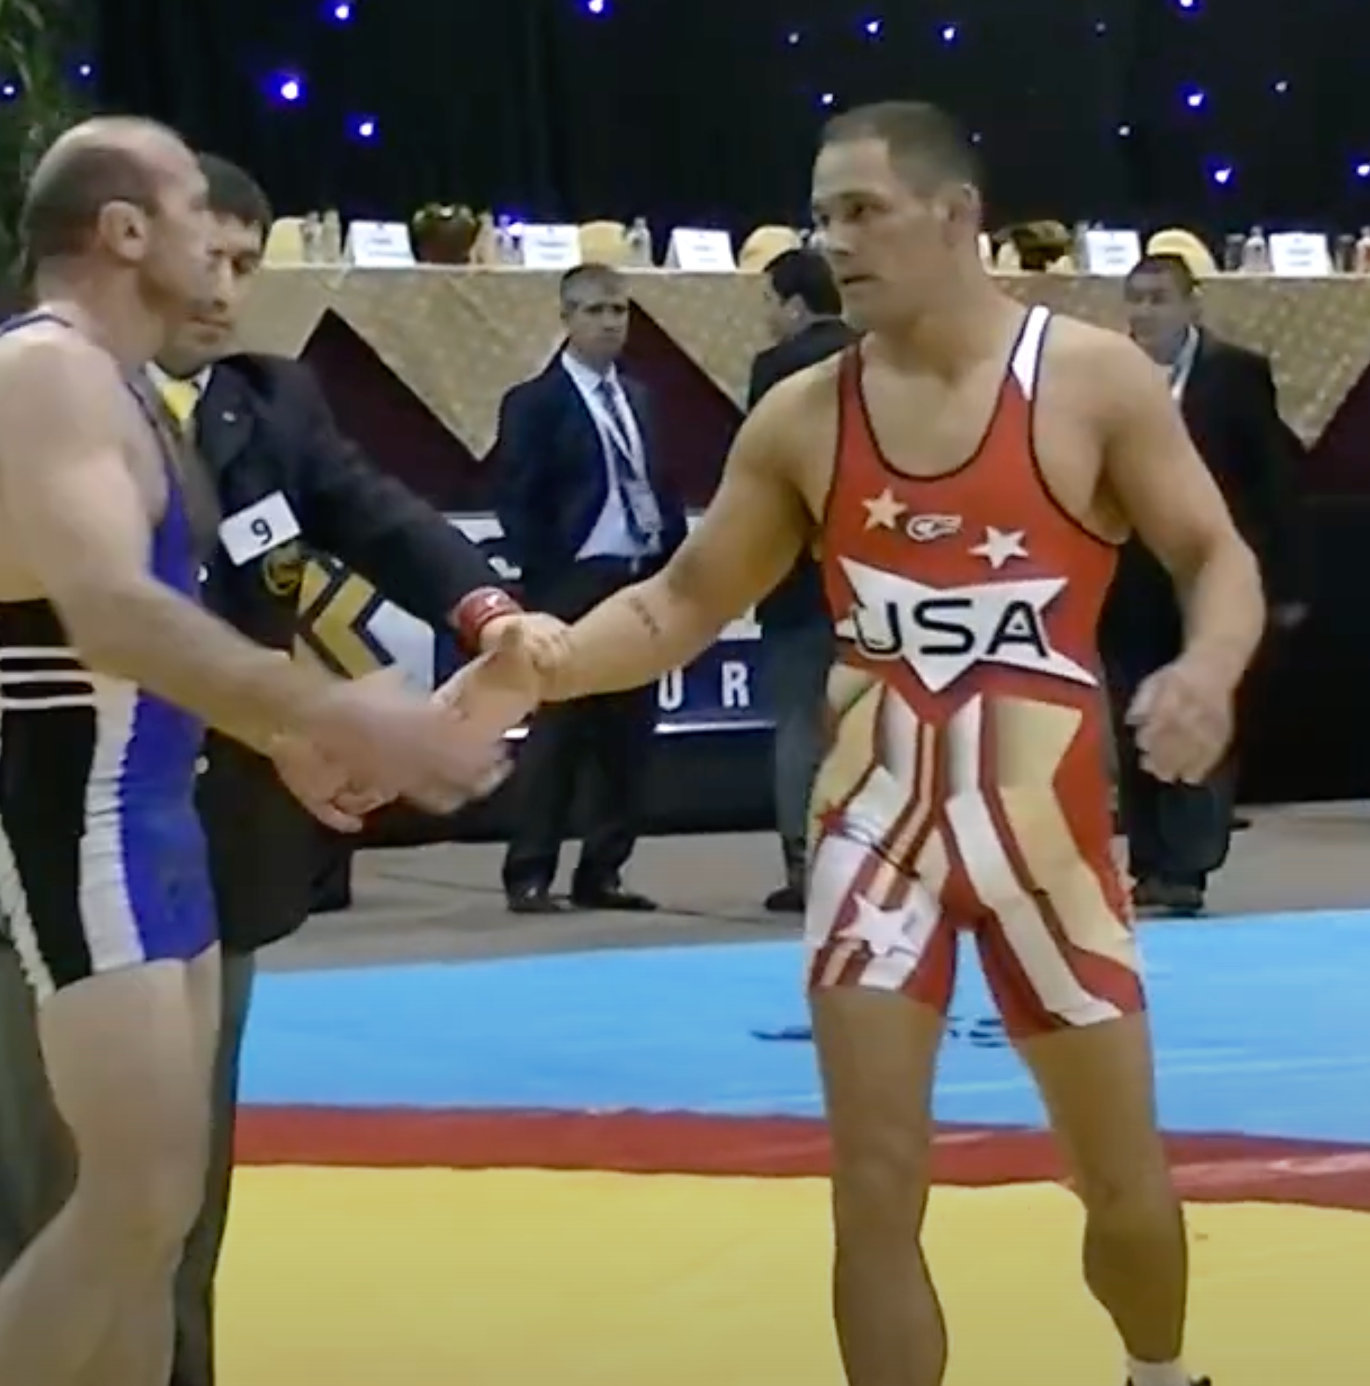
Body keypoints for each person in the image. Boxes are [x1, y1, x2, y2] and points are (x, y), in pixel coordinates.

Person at [449, 101, 1263, 1386]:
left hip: (1046, 848)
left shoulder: (1088, 382)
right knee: (874, 1186)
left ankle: (1160, 1375)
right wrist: (545, 660)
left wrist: (1208, 670)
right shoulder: (804, 415)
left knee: (1120, 1185)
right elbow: (679, 603)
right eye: (825, 217)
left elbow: (1214, 555)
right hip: (875, 840)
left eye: (862, 212)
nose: (837, 242)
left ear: (957, 220)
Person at [0, 117, 508, 1386]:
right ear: (127, 231)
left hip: (151, 817)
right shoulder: (48, 376)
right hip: (75, 815)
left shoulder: (133, 388)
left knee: (158, 1219)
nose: (227, 242)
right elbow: (111, 613)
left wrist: (278, 738)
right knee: (124, 1202)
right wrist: (336, 713)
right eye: (199, 210)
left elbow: (171, 628)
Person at [1105, 252, 1306, 915]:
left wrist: (1276, 579)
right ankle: (1148, 861)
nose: (1144, 313)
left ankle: (1188, 869)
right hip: (1129, 577)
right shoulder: (1110, 376)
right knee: (1134, 712)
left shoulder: (1234, 375)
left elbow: (1272, 481)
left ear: (1193, 305)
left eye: (1159, 298)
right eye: (1135, 298)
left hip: (1205, 577)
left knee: (1193, 709)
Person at [491, 262, 688, 913]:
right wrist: (545, 577)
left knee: (630, 734)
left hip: (639, 576)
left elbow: (662, 483)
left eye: (620, 310)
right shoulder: (534, 401)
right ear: (567, 318)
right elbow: (518, 496)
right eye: (597, 311)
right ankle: (530, 869)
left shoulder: (643, 398)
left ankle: (603, 869)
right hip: (574, 578)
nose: (611, 323)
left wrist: (675, 567)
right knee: (558, 730)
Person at [748, 248, 856, 911]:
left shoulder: (776, 368)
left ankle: (803, 862)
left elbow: (763, 473)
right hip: (868, 564)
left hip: (796, 569)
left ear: (792, 304)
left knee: (797, 721)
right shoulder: (873, 352)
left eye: (768, 301)